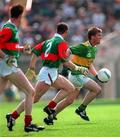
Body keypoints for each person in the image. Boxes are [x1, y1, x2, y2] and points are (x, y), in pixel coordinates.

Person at [11, 22, 88, 125]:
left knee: (70, 88)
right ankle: (13, 116)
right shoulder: (61, 42)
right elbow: (64, 61)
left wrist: (32, 68)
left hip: (52, 72)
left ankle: (50, 107)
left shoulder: (48, 41)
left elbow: (35, 52)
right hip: (48, 73)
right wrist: (78, 68)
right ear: (66, 32)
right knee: (34, 98)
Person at [43, 26, 105, 125]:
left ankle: (51, 116)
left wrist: (96, 75)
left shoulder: (94, 48)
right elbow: (69, 50)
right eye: (99, 35)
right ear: (92, 37)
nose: (101, 37)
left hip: (79, 75)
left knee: (69, 100)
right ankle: (81, 109)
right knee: (97, 89)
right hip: (76, 75)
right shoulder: (84, 47)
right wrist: (65, 63)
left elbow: (89, 64)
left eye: (101, 35)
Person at [0, 4, 44, 132]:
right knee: (31, 92)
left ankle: (12, 117)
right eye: (23, 15)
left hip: (6, 64)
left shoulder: (10, 27)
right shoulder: (9, 28)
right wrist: (5, 57)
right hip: (8, 65)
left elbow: (8, 46)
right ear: (20, 16)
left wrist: (21, 48)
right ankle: (27, 124)